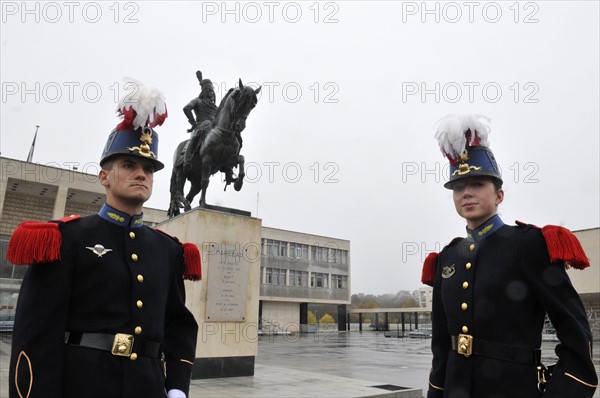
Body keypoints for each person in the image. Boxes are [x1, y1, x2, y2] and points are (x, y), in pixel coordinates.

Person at [7, 83, 201, 398]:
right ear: (104, 177)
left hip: (148, 388)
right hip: (84, 385)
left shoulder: (167, 250)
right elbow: (37, 335)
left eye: (148, 169)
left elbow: (179, 324)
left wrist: (177, 388)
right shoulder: (67, 238)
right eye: (128, 165)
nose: (141, 174)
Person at [421, 114, 598, 398]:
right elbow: (441, 343)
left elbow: (574, 330)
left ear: (499, 194)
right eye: (458, 187)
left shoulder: (529, 245)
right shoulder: (447, 258)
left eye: (478, 184)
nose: (466, 193)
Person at [183, 70, 218, 174]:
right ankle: (187, 160)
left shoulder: (216, 107)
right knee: (207, 124)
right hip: (200, 126)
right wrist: (193, 123)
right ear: (203, 91)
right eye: (208, 90)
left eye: (211, 90)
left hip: (214, 129)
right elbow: (186, 108)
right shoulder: (197, 101)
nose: (210, 92)